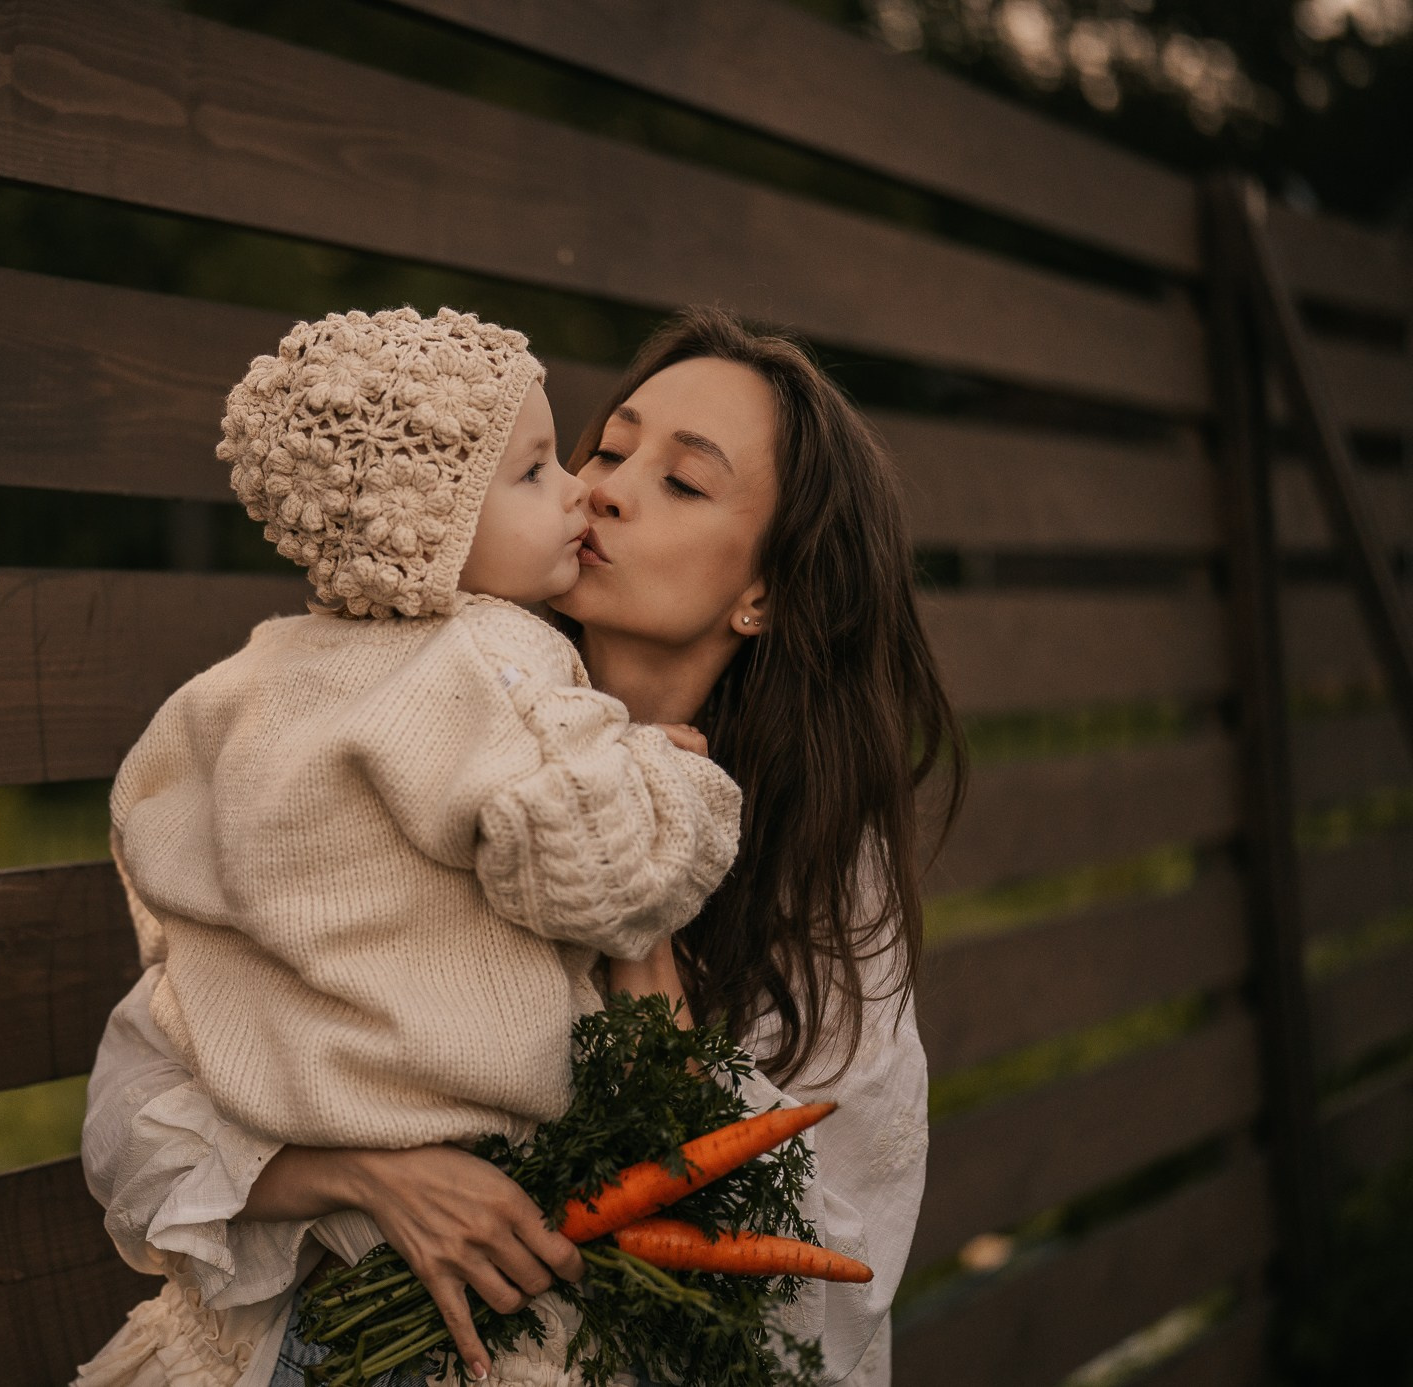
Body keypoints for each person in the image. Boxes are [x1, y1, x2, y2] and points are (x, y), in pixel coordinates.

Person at [75, 306, 965, 1387]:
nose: (601, 488)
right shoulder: (399, 730)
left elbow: (790, 1303)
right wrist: (370, 1174)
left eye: (681, 482)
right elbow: (142, 1109)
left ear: (763, 591)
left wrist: (637, 904)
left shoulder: (817, 878)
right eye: (606, 447)